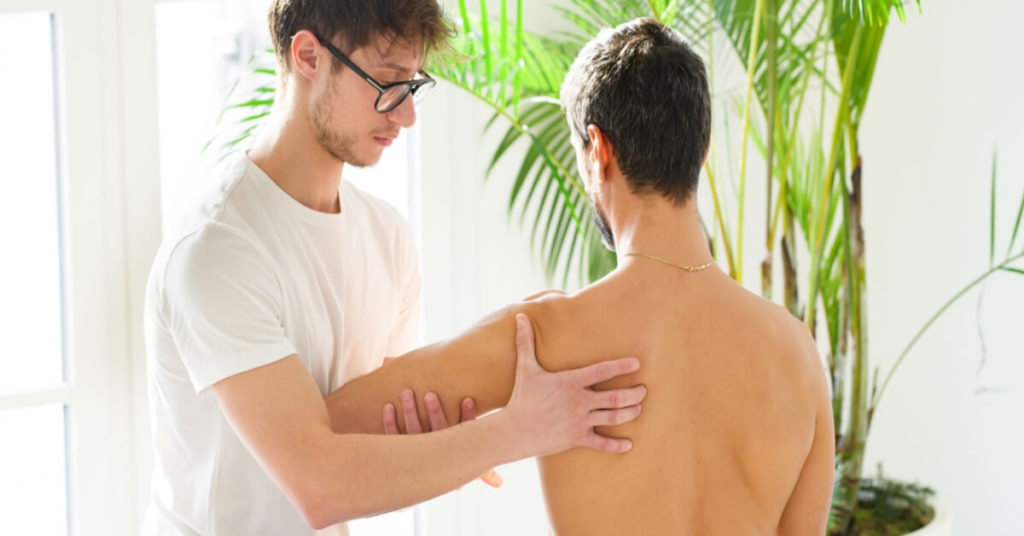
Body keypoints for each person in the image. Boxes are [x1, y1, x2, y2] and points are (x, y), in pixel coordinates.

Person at [142, 1, 649, 534]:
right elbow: (320, 484)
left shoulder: (387, 237)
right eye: (386, 82)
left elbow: (370, 439)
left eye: (413, 84)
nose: (406, 114)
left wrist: (449, 424)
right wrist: (520, 429)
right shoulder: (218, 249)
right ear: (309, 56)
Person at [327, 18, 835, 535]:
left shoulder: (544, 336)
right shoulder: (797, 354)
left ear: (598, 149)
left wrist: (457, 447)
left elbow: (326, 427)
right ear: (702, 151)